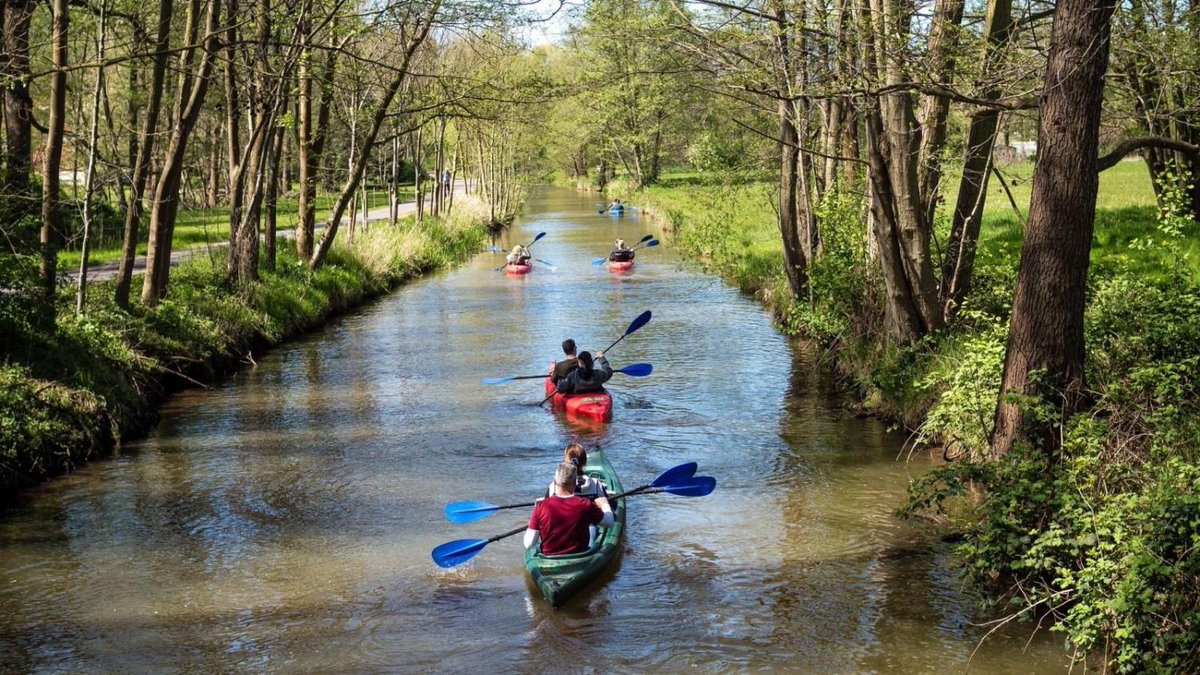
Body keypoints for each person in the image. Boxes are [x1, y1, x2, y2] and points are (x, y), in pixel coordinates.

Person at [524, 463, 615, 556]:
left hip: (549, 559)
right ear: (575, 484)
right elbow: (610, 522)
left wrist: (533, 521)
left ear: (555, 482)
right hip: (580, 557)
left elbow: (529, 544)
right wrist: (604, 504)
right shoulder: (585, 504)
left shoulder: (540, 506)